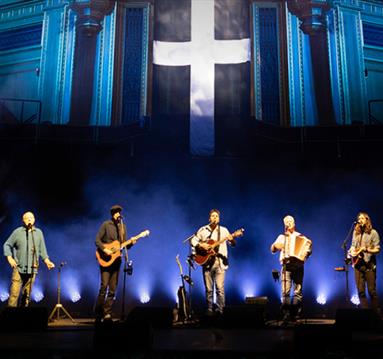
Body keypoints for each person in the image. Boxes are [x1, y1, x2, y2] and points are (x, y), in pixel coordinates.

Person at [3, 211, 55, 307]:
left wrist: (47, 261)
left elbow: (42, 250)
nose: (29, 219)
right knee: (14, 294)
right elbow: (7, 244)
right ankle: (10, 318)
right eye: (26, 218)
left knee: (26, 296)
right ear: (23, 220)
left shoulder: (38, 233)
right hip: (18, 268)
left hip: (32, 268)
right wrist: (10, 258)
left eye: (31, 217)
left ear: (34, 220)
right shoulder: (17, 232)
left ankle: (23, 318)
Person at [95, 204, 136, 322]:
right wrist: (105, 249)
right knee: (103, 287)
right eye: (116, 212)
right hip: (105, 260)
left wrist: (132, 242)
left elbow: (124, 246)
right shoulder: (105, 225)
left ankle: (107, 313)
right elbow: (97, 240)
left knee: (113, 289)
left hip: (117, 261)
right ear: (112, 214)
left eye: (119, 212)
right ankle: (98, 314)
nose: (118, 214)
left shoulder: (123, 227)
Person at [191, 209, 236, 315]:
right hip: (206, 263)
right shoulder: (203, 230)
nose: (215, 217)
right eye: (213, 216)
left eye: (216, 216)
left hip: (219, 263)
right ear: (209, 218)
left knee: (220, 288)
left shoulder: (224, 230)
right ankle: (209, 309)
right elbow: (193, 240)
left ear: (219, 219)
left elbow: (233, 244)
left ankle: (221, 310)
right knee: (209, 289)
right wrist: (201, 245)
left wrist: (232, 239)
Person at [271, 215, 312, 323]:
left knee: (297, 291)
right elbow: (272, 248)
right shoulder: (281, 237)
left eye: (290, 221)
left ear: (294, 223)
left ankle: (296, 314)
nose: (288, 223)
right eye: (286, 222)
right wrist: (276, 246)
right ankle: (286, 314)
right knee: (285, 292)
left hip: (298, 266)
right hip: (286, 267)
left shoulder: (301, 237)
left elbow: (308, 248)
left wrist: (307, 252)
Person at [348, 212, 380, 311]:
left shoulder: (373, 233)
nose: (360, 220)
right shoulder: (355, 232)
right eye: (359, 218)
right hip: (358, 265)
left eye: (362, 218)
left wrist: (366, 249)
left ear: (367, 220)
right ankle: (366, 313)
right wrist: (351, 252)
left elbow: (377, 249)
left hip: (369, 266)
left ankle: (376, 315)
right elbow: (353, 245)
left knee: (371, 291)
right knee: (360, 291)